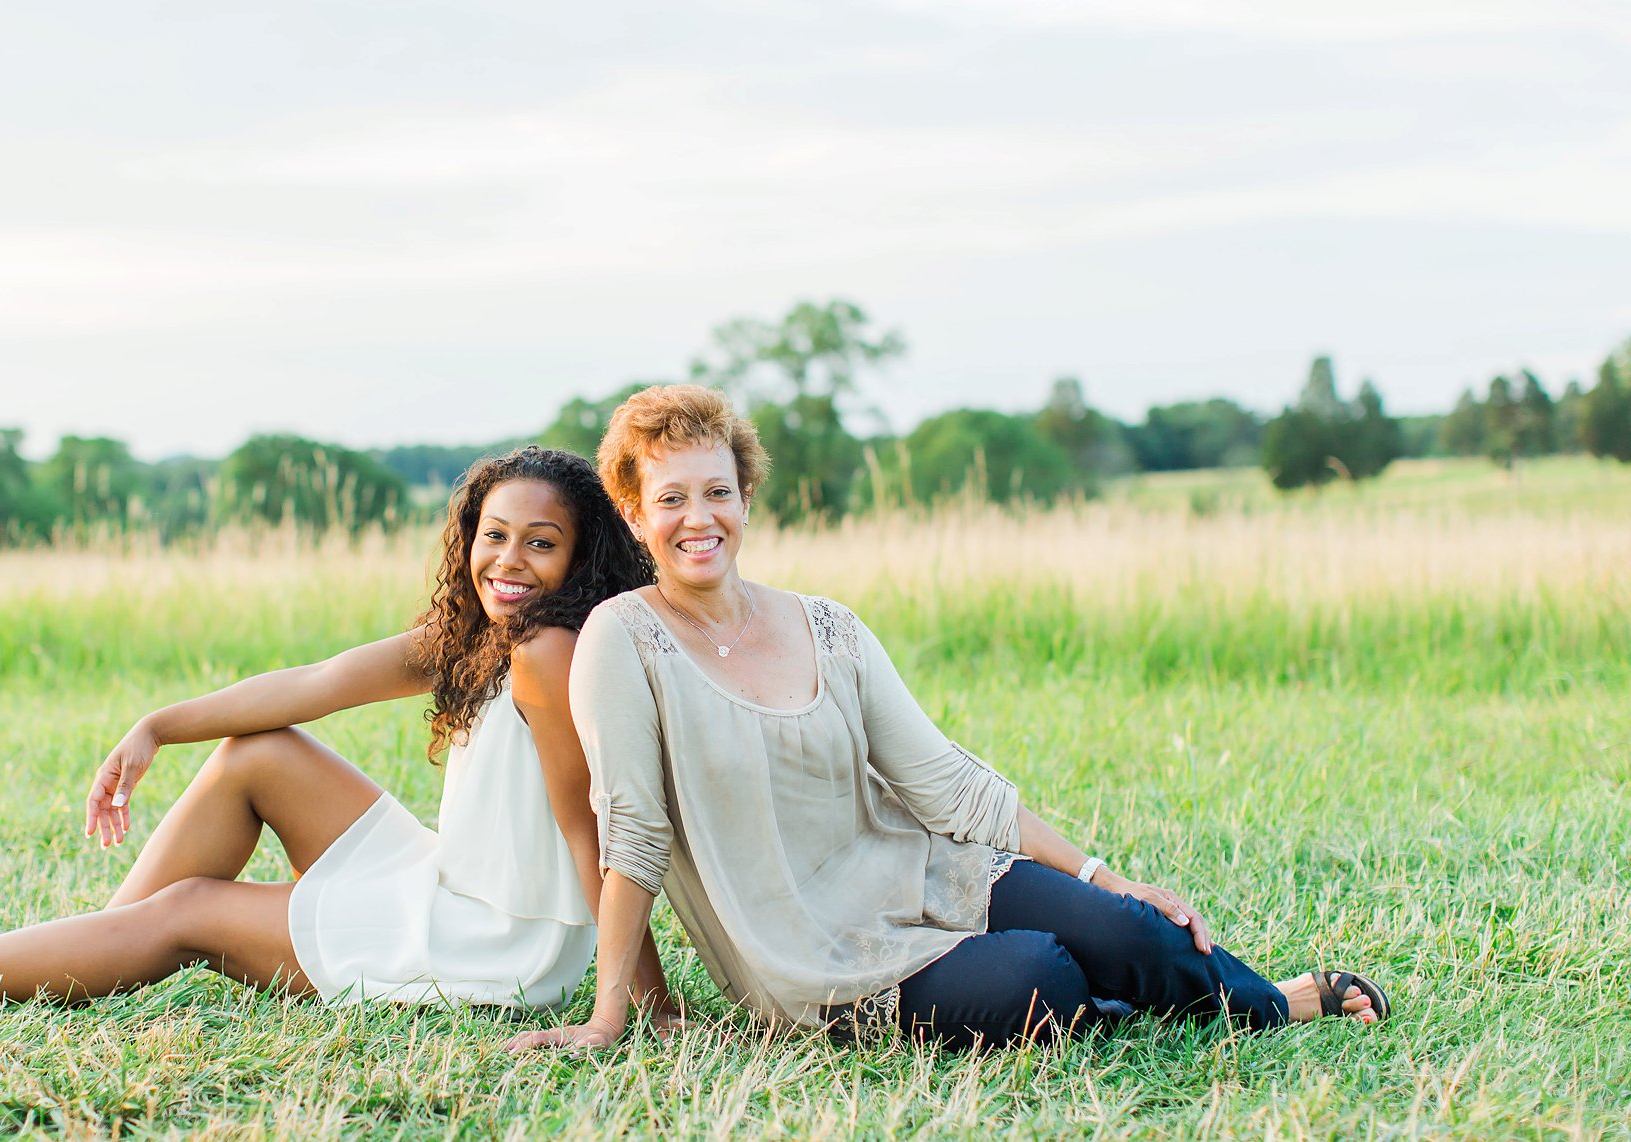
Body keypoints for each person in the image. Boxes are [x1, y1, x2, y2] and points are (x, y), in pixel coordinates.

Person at [508, 386, 1390, 1053]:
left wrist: (1104, 877)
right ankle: (1117, 1006)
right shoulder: (622, 641)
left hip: (918, 871)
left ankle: (1274, 1002)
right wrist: (611, 1012)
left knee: (1127, 928)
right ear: (633, 514)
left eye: (717, 492)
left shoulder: (829, 625)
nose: (698, 518)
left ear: (745, 499)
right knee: (1040, 973)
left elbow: (944, 782)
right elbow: (632, 833)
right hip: (812, 951)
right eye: (670, 499)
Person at [0, 446, 675, 1018]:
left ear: (580, 559)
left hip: (495, 943)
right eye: (494, 536)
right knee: (260, 752)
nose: (508, 563)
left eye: (540, 544)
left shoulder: (552, 654)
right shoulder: (479, 636)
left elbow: (588, 827)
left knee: (188, 913)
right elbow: (313, 684)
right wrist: (156, 728)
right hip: (447, 883)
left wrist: (630, 1003)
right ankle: (83, 955)